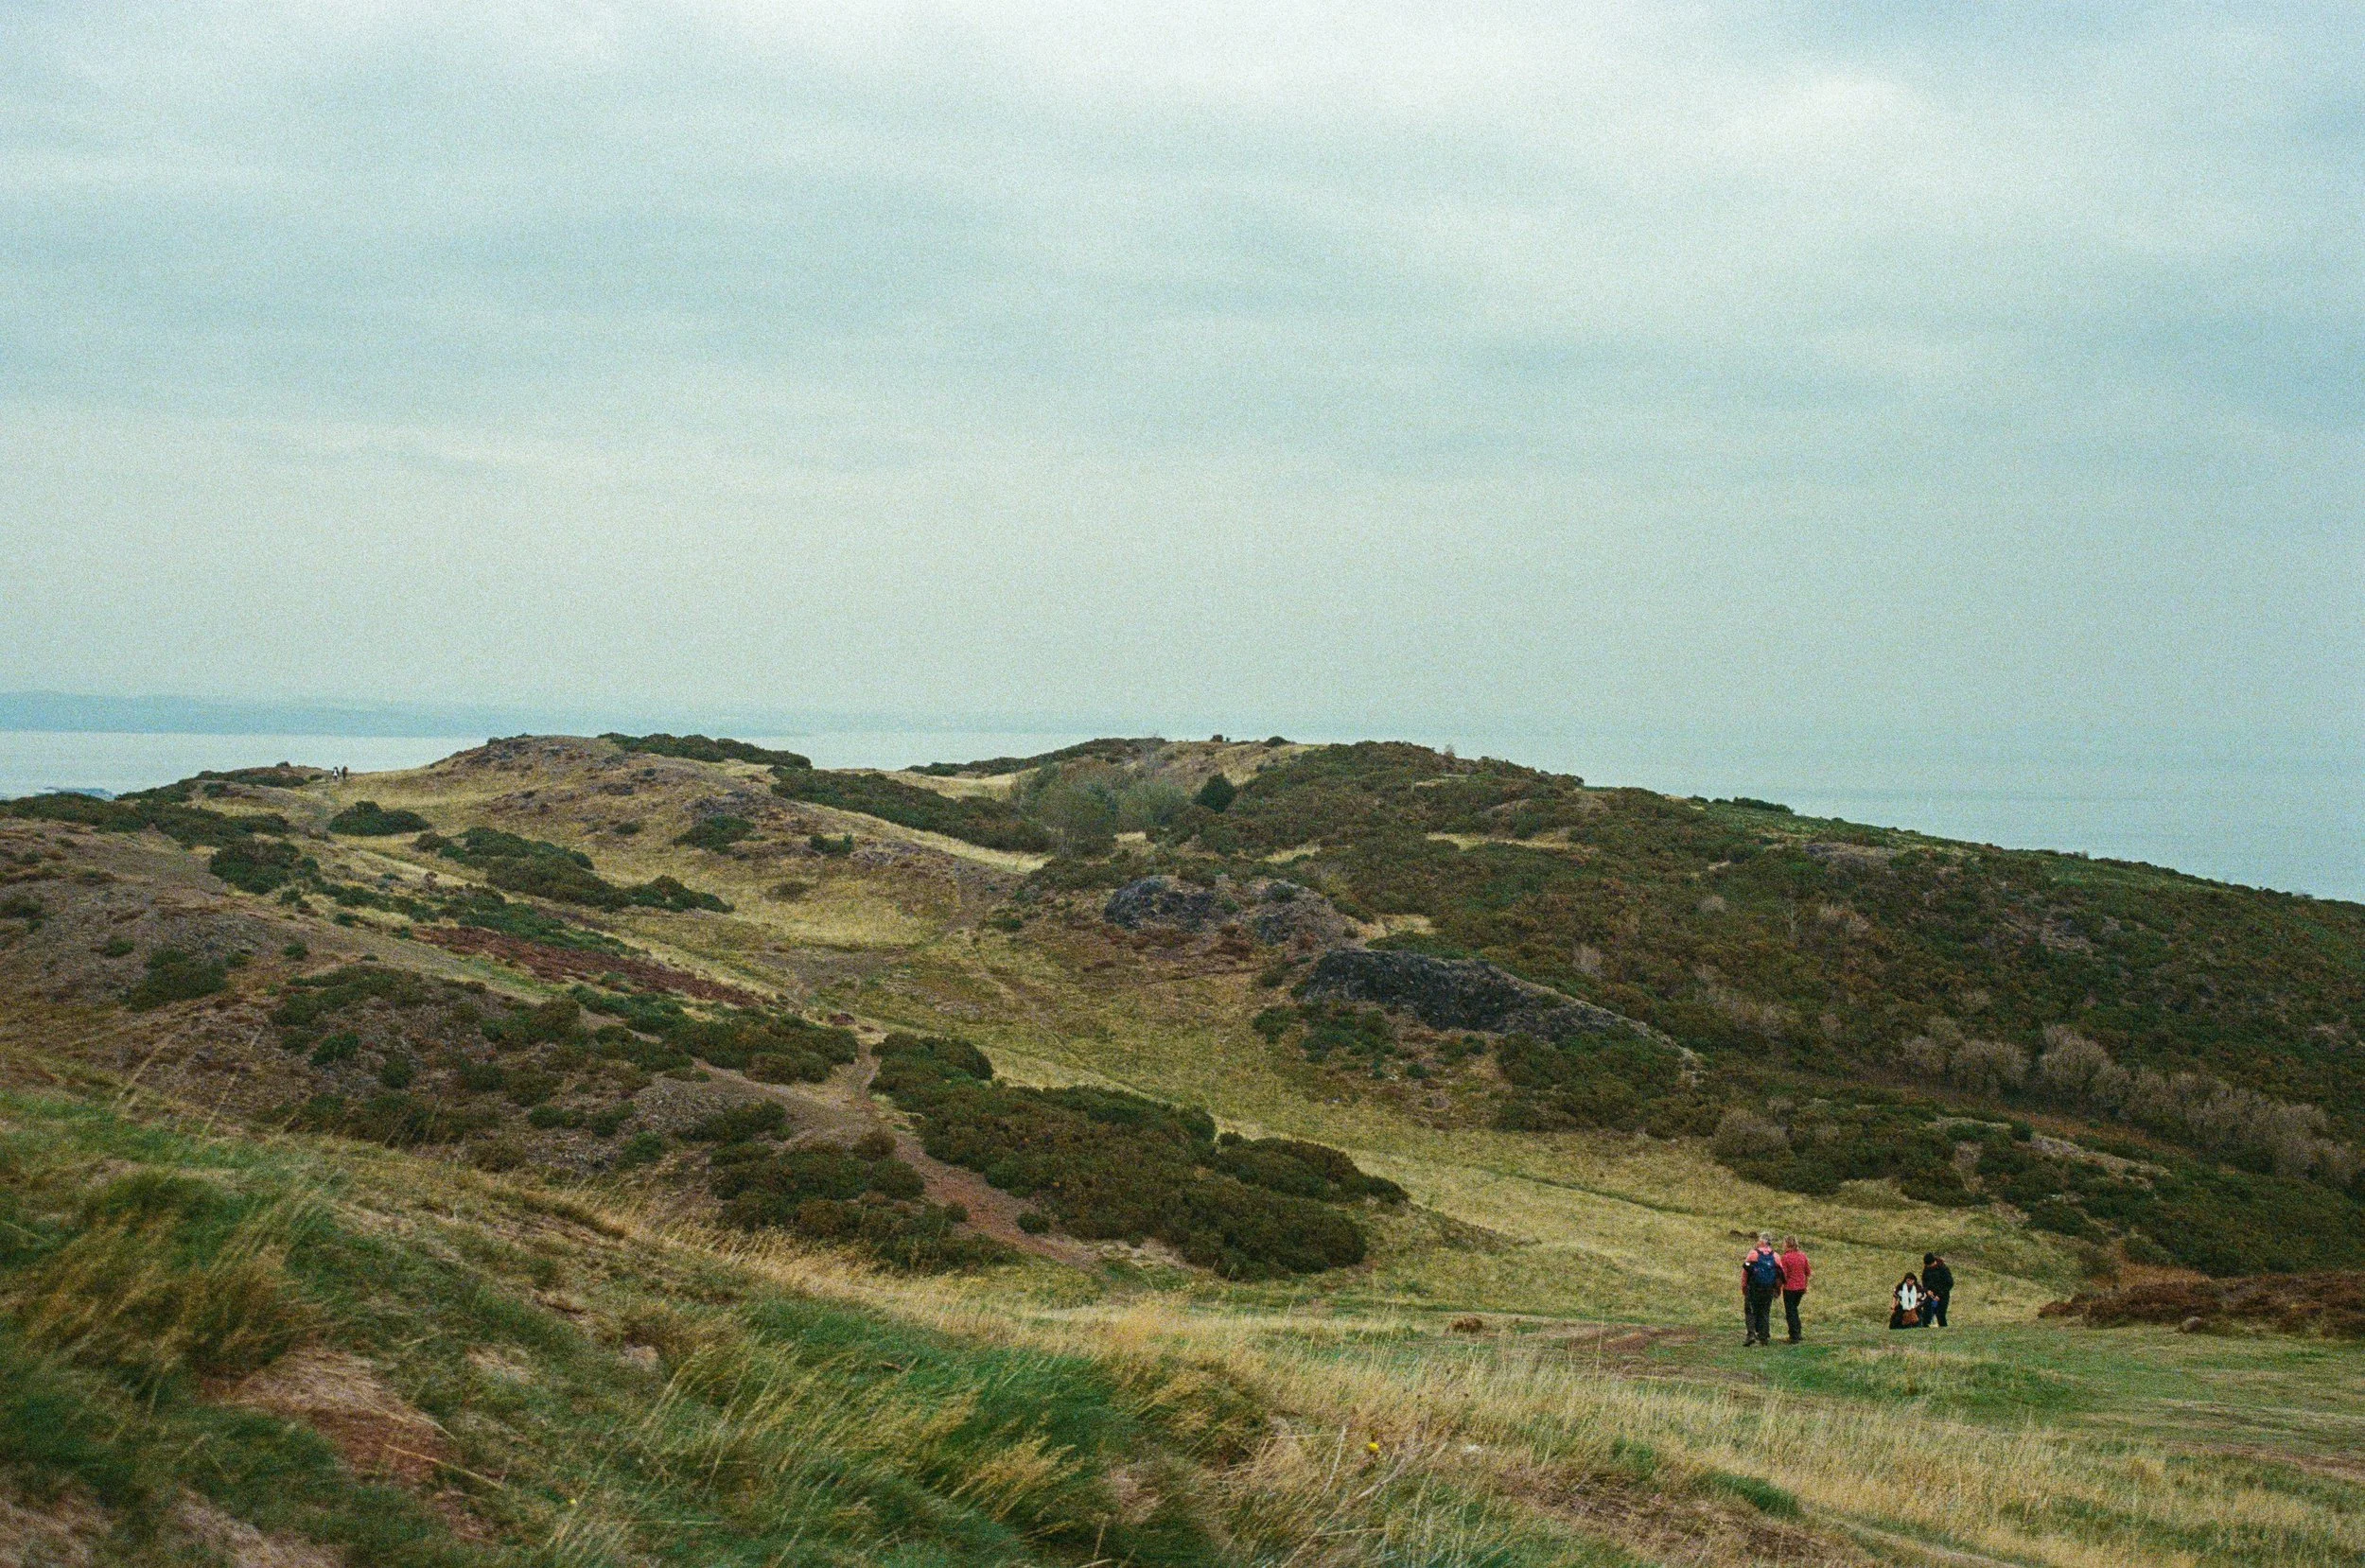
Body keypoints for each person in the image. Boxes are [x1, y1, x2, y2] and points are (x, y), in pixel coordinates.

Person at [1741, 1232, 1782, 1347]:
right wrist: (1778, 1290)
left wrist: (1744, 1286)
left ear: (1762, 1242)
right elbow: (1779, 1275)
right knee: (1765, 1311)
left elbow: (1745, 1272)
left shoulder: (1754, 1254)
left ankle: (1751, 1334)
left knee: (1750, 1310)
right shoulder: (1776, 1256)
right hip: (1768, 1288)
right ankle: (1764, 1337)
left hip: (1753, 1287)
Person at [1778, 1235, 1812, 1343]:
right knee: (1794, 1310)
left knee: (1790, 1312)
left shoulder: (1785, 1258)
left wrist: (1778, 1287)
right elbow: (1807, 1272)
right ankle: (1798, 1333)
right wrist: (1805, 1285)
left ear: (1787, 1244)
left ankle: (1794, 1335)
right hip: (1801, 1287)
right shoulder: (1802, 1256)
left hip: (1790, 1288)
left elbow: (1784, 1275)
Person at [1921, 1252, 1953, 1327]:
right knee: (1926, 1316)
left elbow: (1950, 1283)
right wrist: (1927, 1291)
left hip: (1943, 1296)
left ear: (1934, 1262)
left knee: (1940, 1316)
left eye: (1929, 1265)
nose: (1928, 1267)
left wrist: (1939, 1295)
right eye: (1927, 1265)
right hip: (1930, 1296)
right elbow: (1924, 1281)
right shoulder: (1926, 1268)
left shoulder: (1943, 1269)